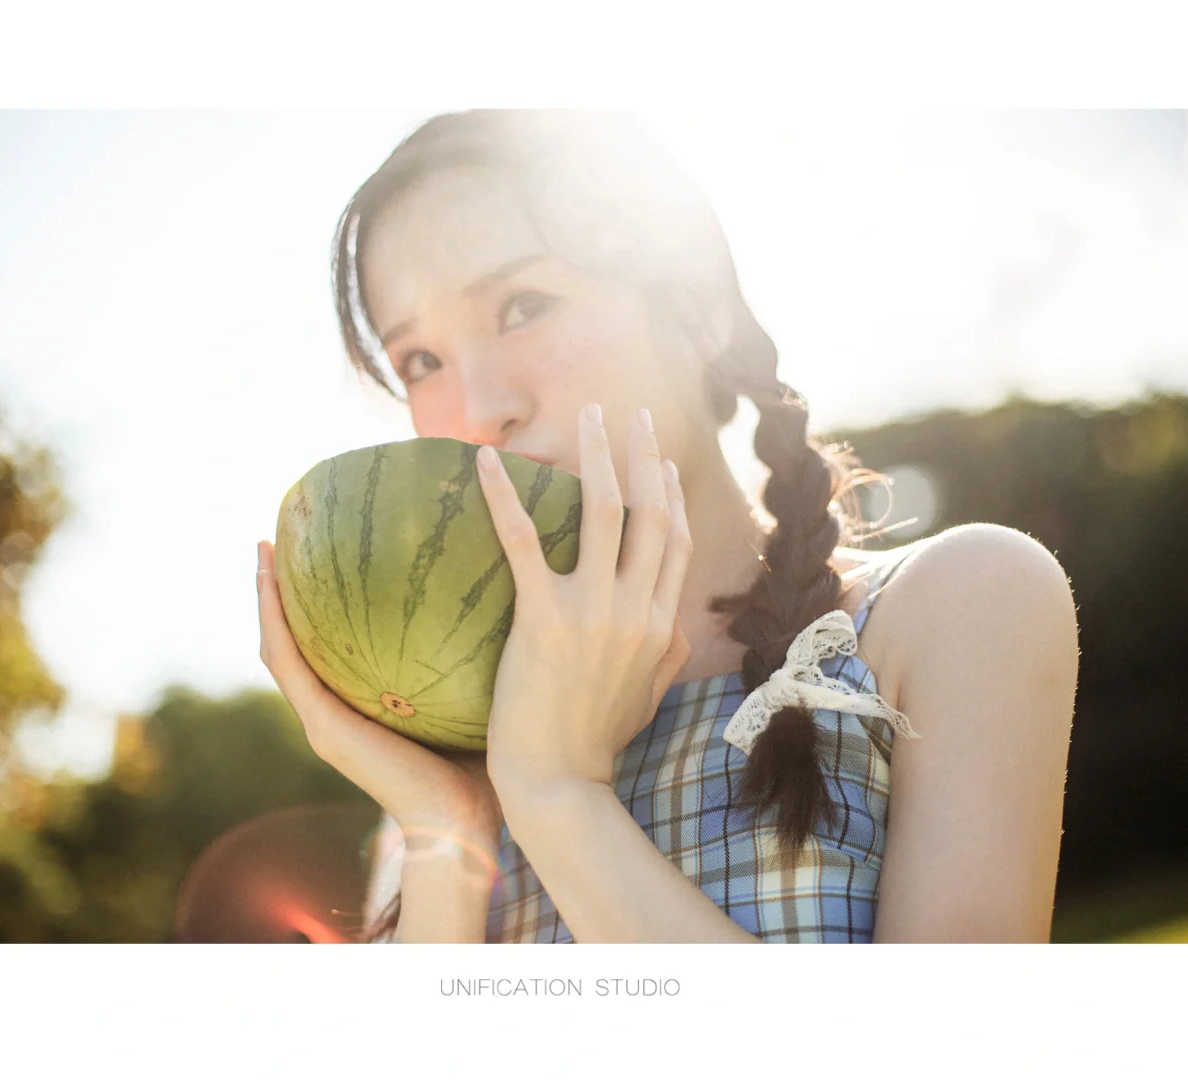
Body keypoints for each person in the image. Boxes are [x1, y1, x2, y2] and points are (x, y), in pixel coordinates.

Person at [254, 110, 1079, 943]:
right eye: (420, 363)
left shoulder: (956, 606)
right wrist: (446, 824)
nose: (478, 412)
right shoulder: (432, 809)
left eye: (522, 305)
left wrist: (558, 795)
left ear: (699, 309)